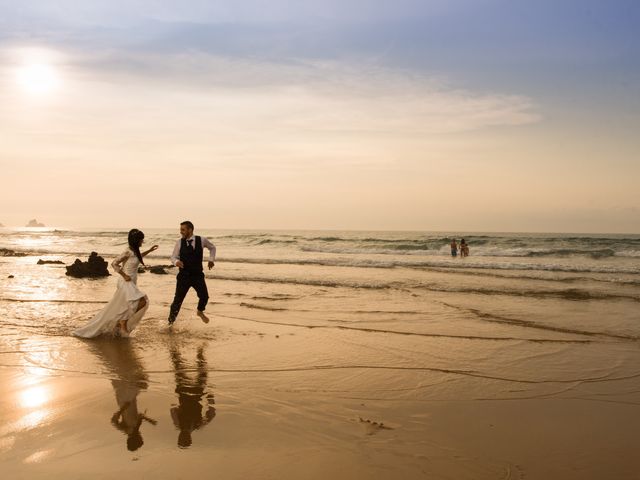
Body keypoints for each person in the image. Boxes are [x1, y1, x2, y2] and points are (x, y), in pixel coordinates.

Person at [73, 229, 158, 338]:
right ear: (136, 240)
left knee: (125, 305)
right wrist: (124, 275)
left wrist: (150, 250)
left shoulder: (134, 251)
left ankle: (119, 326)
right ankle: (123, 321)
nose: (142, 241)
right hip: (125, 282)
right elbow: (114, 264)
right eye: (141, 240)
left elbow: (137, 257)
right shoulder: (127, 251)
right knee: (143, 300)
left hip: (132, 281)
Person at [168, 221, 216, 325]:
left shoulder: (202, 240)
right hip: (183, 276)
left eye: (183, 230)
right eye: (180, 229)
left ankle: (200, 311)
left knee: (204, 296)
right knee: (177, 301)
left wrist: (211, 259)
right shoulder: (179, 242)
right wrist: (176, 262)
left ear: (190, 229)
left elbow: (212, 248)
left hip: (197, 275)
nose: (181, 232)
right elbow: (173, 257)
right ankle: (170, 323)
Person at [169, 343, 216, 448]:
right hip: (189, 393)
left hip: (191, 393)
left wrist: (210, 400)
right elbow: (173, 410)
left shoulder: (185, 424)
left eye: (181, 438)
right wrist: (210, 400)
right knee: (182, 367)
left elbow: (173, 410)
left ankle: (176, 347)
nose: (182, 436)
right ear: (189, 438)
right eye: (184, 438)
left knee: (181, 367)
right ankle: (197, 349)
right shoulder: (196, 425)